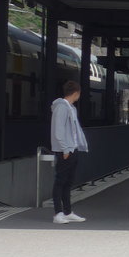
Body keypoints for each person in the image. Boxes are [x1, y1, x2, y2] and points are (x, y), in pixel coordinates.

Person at [50, 80, 88, 224]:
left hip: (73, 148)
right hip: (65, 150)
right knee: (60, 181)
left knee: (68, 182)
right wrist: (65, 148)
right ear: (76, 93)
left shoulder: (71, 108)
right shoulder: (62, 108)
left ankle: (67, 211)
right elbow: (58, 130)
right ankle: (58, 213)